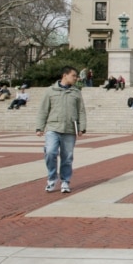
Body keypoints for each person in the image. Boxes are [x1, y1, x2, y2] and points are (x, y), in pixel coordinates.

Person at [36, 66, 86, 194]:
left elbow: (81, 111)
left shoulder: (76, 92)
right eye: (73, 75)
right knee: (51, 152)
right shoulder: (50, 91)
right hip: (53, 127)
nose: (76, 78)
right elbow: (43, 110)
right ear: (65, 75)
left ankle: (65, 181)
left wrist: (82, 127)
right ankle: (52, 179)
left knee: (67, 157)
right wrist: (39, 127)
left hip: (69, 129)